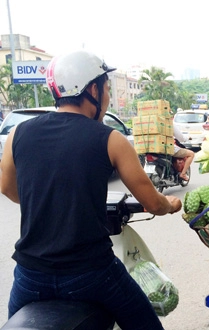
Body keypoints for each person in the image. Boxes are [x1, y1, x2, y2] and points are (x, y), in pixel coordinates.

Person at [0, 50, 182, 330]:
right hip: (92, 275)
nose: (108, 97)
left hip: (30, 276)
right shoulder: (111, 139)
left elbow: (8, 188)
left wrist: (48, 203)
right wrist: (170, 204)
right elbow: (152, 202)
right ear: (93, 90)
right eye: (107, 89)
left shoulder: (17, 134)